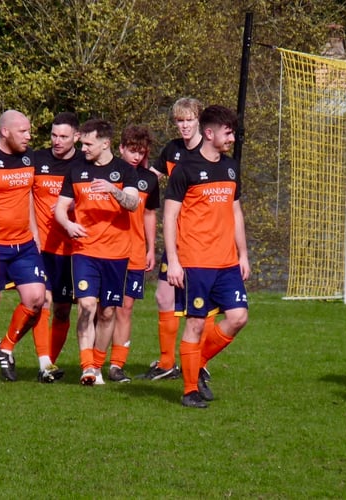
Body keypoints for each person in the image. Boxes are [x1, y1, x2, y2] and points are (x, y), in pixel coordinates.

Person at [164, 105, 249, 408]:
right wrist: (173, 260)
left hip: (227, 261)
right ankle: (189, 391)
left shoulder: (231, 167)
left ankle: (196, 361)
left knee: (239, 317)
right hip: (195, 261)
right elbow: (170, 215)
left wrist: (243, 254)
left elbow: (235, 211)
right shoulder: (185, 168)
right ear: (210, 133)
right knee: (196, 324)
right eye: (228, 133)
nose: (232, 138)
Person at [54, 118, 139, 385]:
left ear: (105, 143)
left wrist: (114, 190)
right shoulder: (76, 169)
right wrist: (68, 224)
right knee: (87, 306)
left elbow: (134, 204)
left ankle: (99, 364)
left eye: (88, 144)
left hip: (116, 253)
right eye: (82, 143)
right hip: (85, 250)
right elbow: (59, 207)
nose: (84, 148)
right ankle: (87, 367)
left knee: (107, 312)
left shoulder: (125, 171)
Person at [141, 97, 215, 402]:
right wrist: (130, 185)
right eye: (179, 121)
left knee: (200, 307)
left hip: (201, 241)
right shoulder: (171, 150)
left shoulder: (208, 152)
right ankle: (167, 362)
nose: (183, 126)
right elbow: (153, 177)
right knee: (163, 295)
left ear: (199, 121)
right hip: (177, 237)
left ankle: (199, 362)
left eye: (188, 120)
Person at [0, 110, 50, 382]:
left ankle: (4, 346)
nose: (29, 136)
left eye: (29, 131)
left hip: (24, 244)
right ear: (5, 131)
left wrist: (35, 233)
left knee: (37, 299)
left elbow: (26, 196)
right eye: (23, 131)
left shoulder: (29, 158)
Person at [31, 112, 86, 380]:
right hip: (40, 246)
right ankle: (44, 364)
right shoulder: (37, 160)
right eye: (53, 135)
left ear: (77, 136)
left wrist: (74, 204)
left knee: (63, 309)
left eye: (63, 136)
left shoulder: (85, 164)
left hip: (71, 249)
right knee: (42, 301)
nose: (57, 141)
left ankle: (50, 361)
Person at [106, 125, 159, 383]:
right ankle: (92, 362)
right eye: (132, 151)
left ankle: (117, 364)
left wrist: (152, 248)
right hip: (107, 249)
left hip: (135, 252)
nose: (136, 157)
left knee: (126, 309)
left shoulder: (149, 179)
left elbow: (150, 213)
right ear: (121, 148)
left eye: (141, 152)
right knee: (103, 308)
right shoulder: (109, 173)